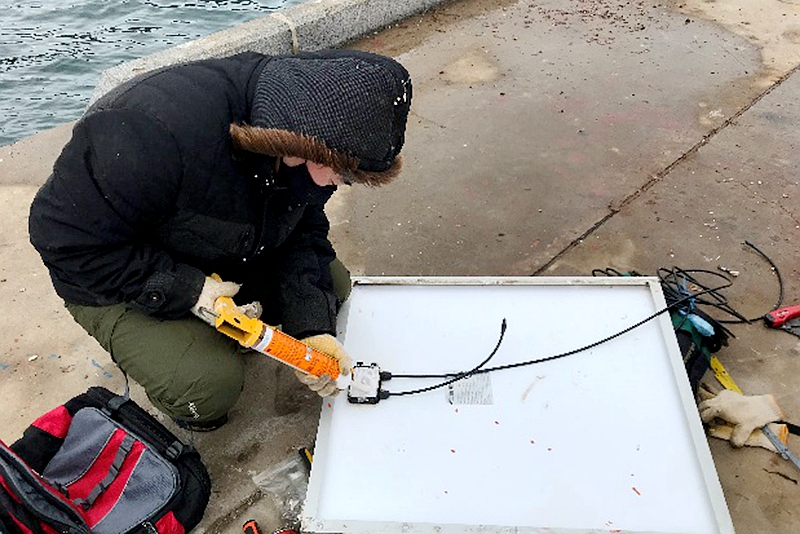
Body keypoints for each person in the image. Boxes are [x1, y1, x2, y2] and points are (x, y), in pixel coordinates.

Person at [28, 49, 412, 431]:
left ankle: (214, 331)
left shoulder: (303, 141)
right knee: (207, 386)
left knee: (332, 290)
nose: (340, 185)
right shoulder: (148, 134)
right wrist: (189, 291)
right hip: (108, 271)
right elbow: (62, 241)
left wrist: (312, 328)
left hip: (216, 244)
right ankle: (181, 354)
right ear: (316, 150)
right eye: (344, 177)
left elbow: (301, 228)